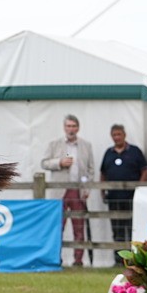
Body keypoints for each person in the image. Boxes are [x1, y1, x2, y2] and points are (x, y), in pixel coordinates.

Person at [41, 114, 95, 267]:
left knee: (79, 227)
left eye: (73, 126)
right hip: (59, 191)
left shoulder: (86, 145)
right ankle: (55, 259)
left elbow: (91, 169)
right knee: (58, 226)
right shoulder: (55, 144)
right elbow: (44, 163)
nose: (71, 129)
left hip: (78, 190)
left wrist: (87, 187)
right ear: (64, 128)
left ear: (78, 128)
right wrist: (59, 162)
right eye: (68, 126)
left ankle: (78, 260)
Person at [99, 124, 147, 244]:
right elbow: (103, 173)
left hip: (132, 197)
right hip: (114, 197)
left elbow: (145, 170)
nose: (117, 137)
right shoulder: (108, 153)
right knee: (117, 229)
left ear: (124, 135)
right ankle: (118, 259)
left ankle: (133, 258)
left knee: (133, 227)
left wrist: (139, 188)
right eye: (114, 135)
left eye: (119, 134)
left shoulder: (135, 151)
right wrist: (102, 191)